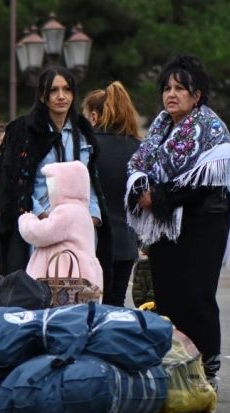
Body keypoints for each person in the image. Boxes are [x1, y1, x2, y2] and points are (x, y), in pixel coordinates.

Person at [126, 55, 230, 390]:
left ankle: (209, 368)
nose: (171, 94)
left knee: (197, 296)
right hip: (165, 225)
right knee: (169, 296)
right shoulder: (160, 127)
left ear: (197, 94)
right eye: (167, 88)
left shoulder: (211, 128)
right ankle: (179, 365)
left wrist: (157, 197)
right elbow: (140, 164)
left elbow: (206, 180)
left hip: (203, 222)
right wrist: (142, 191)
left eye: (180, 88)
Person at [0, 66, 111, 278]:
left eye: (66, 89)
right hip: (38, 229)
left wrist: (91, 218)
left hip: (79, 232)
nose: (61, 96)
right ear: (43, 95)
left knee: (77, 296)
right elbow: (13, 182)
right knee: (37, 293)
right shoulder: (23, 131)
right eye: (54, 90)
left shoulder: (82, 133)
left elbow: (90, 182)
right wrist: (41, 217)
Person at [82, 81, 141, 306]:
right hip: (126, 243)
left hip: (92, 241)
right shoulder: (137, 147)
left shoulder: (87, 147)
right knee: (115, 304)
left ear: (95, 116)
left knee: (88, 306)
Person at [19, 161, 103, 290]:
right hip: (82, 277)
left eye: (52, 186)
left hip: (62, 280)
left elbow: (42, 233)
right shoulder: (83, 211)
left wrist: (26, 219)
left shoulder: (66, 211)